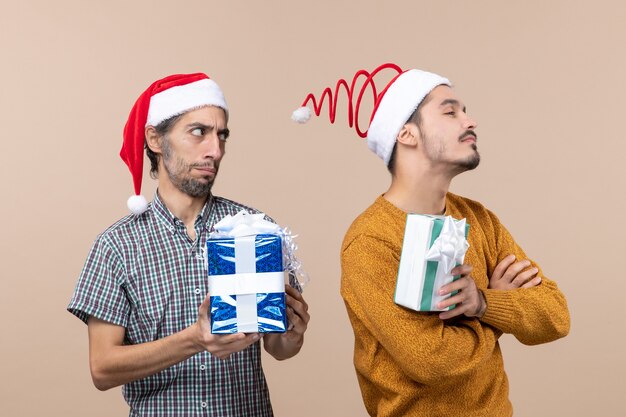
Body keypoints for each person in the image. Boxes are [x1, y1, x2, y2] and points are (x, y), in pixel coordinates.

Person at [292, 63, 569, 417]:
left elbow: (556, 316)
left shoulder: (479, 219)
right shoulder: (370, 241)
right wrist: (494, 318)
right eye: (450, 112)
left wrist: (483, 302)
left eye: (465, 112)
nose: (470, 122)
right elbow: (431, 361)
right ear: (406, 134)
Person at [68, 73, 309, 417]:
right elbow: (102, 368)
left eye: (221, 135)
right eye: (199, 132)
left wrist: (293, 333)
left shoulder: (255, 230)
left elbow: (278, 346)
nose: (215, 150)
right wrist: (195, 338)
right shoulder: (116, 246)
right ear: (155, 138)